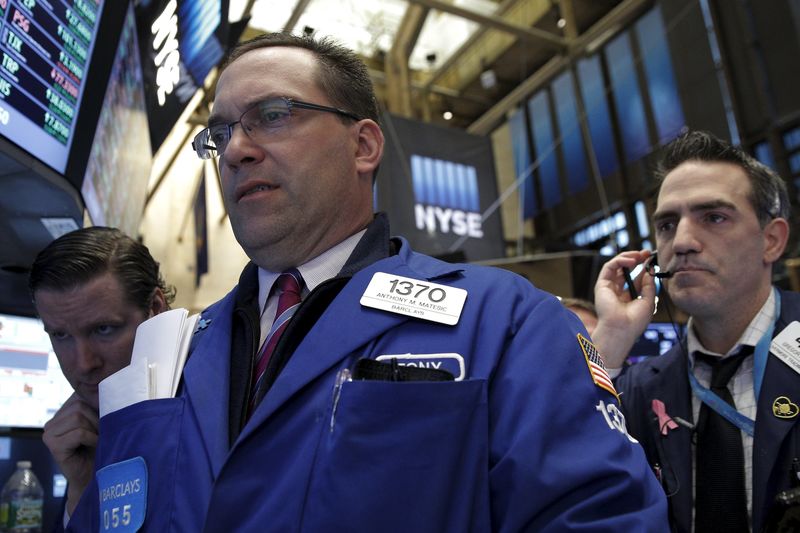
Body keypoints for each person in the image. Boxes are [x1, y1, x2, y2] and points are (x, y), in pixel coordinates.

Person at [66, 32, 668, 532]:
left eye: (271, 116)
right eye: (219, 134)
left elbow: (601, 519)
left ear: (363, 144)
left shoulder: (507, 321)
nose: (235, 151)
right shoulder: (170, 355)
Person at [593, 130, 798, 532]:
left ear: (771, 241)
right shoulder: (637, 388)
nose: (682, 242)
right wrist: (611, 337)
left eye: (714, 217)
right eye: (667, 224)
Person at [28, 227, 172, 523]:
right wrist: (83, 487)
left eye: (103, 329)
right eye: (61, 335)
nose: (83, 363)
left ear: (155, 310)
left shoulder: (215, 408)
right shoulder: (85, 434)